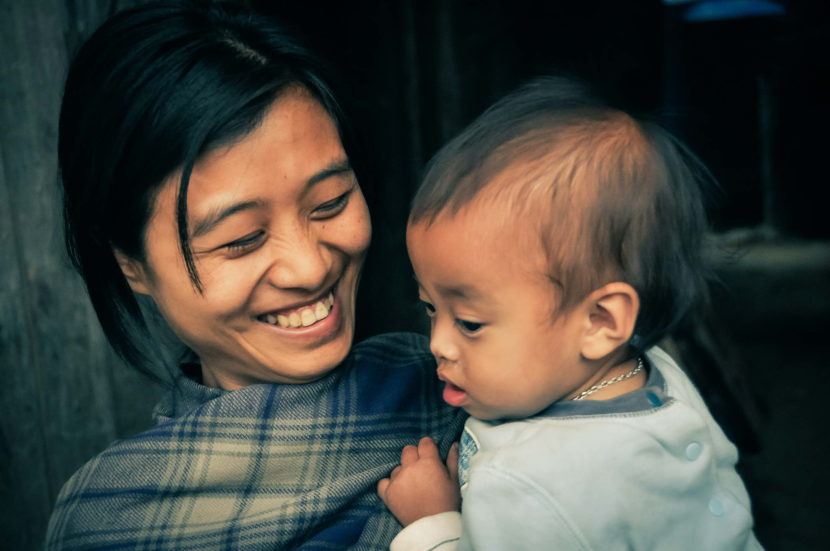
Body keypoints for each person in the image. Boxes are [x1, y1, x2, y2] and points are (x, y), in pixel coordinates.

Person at [45, 2, 465, 549]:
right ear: (131, 263)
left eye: (331, 202)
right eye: (242, 239)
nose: (310, 267)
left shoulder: (463, 387)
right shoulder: (108, 524)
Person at [377, 76, 763, 550]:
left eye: (469, 323)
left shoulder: (524, 488)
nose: (437, 343)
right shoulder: (661, 376)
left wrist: (434, 522)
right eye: (430, 307)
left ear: (601, 322)